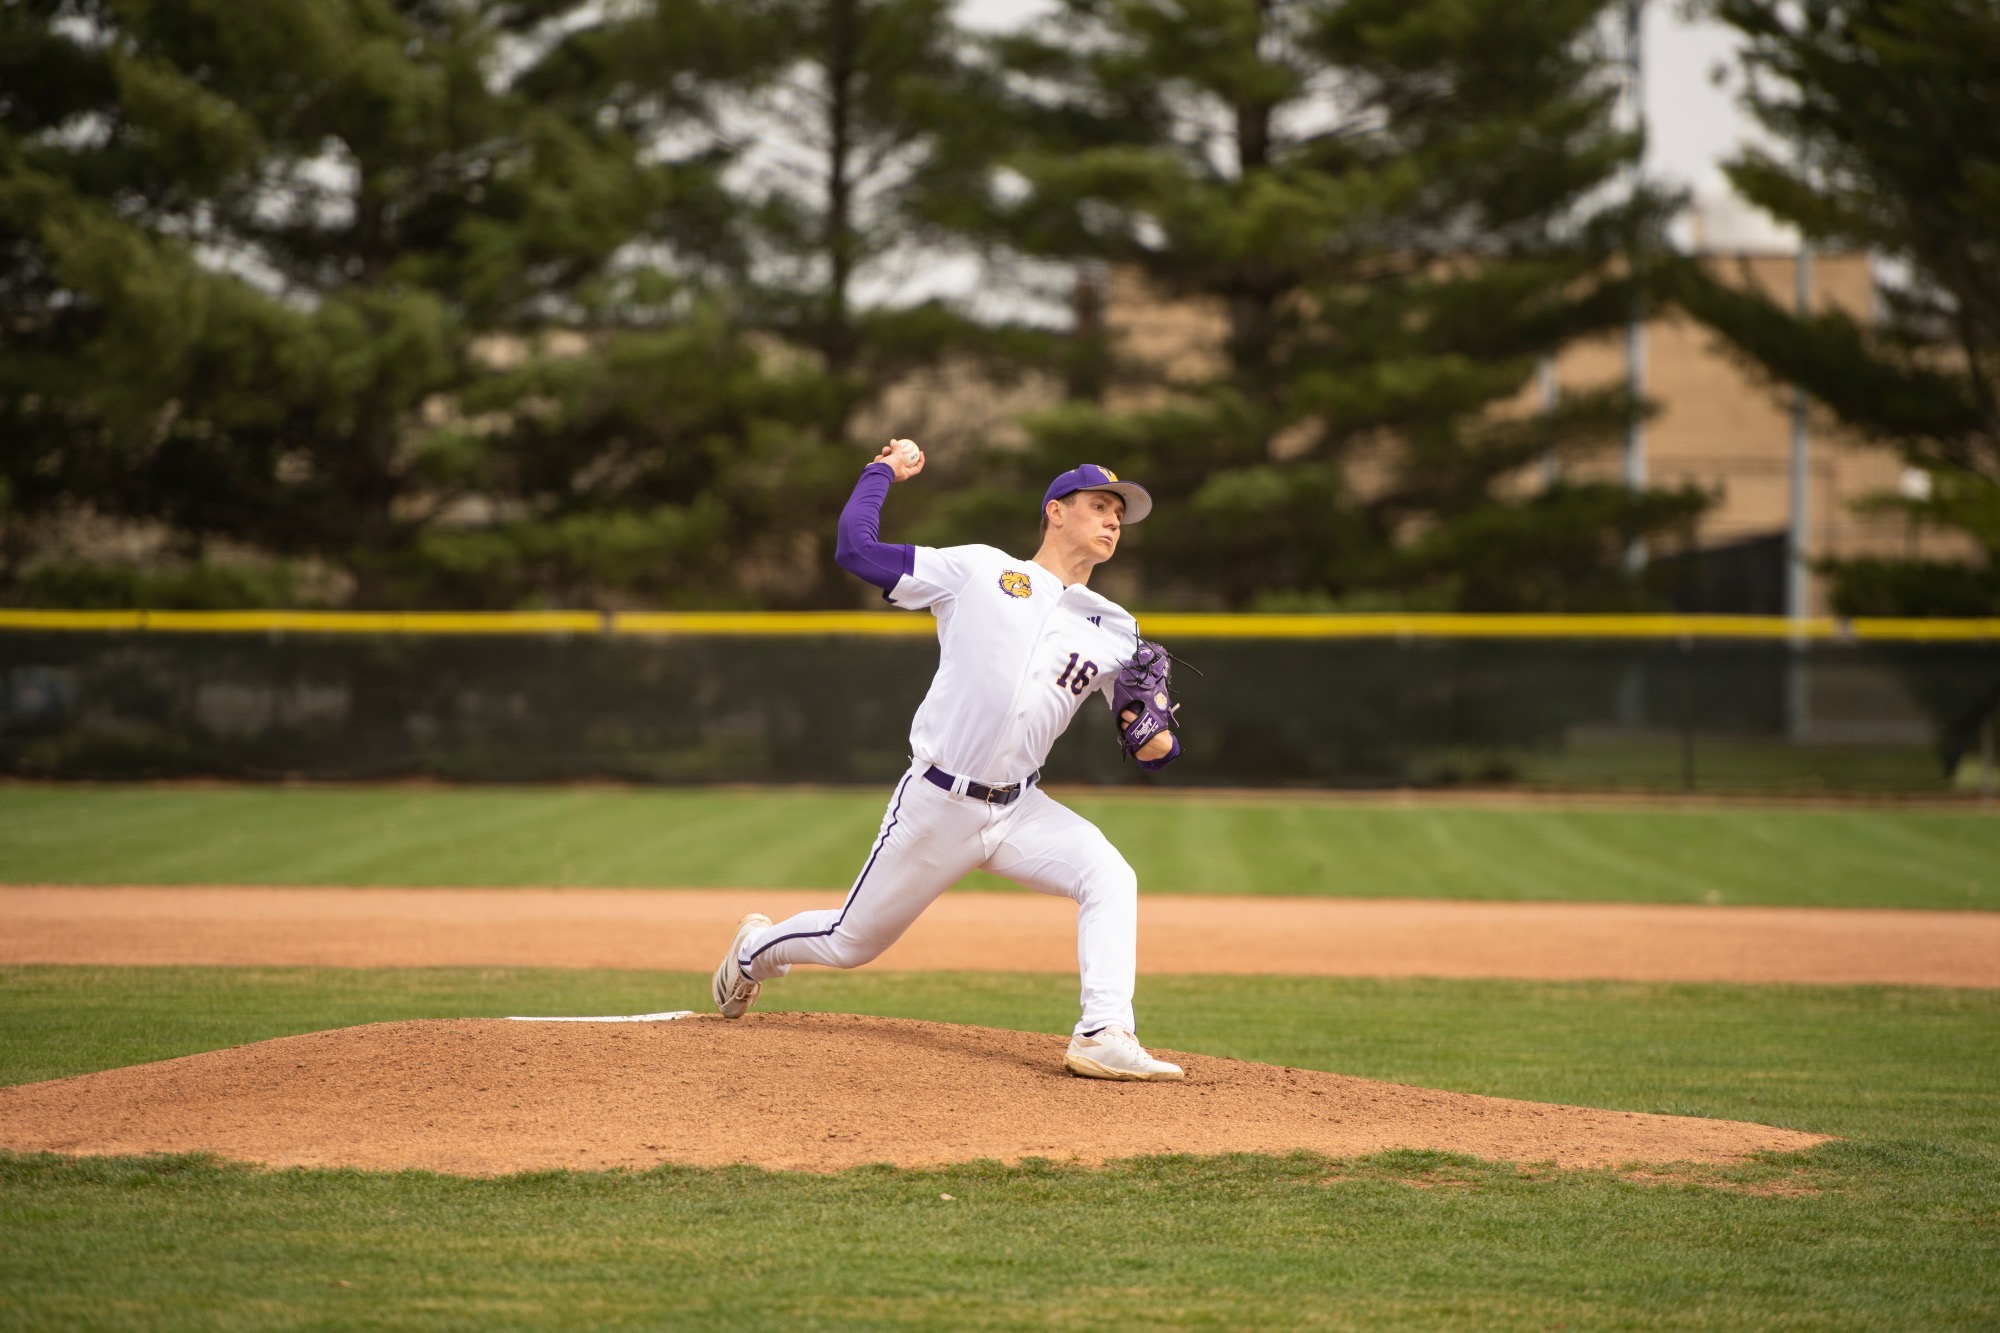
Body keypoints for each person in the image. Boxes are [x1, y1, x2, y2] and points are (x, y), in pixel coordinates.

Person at [710, 442, 1187, 1080]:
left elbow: (1155, 752)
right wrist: (880, 474)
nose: (1112, 522)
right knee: (851, 942)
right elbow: (856, 550)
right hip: (938, 803)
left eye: (1119, 516)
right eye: (1099, 506)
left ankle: (1103, 1032)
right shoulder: (979, 572)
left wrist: (1150, 725)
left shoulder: (1115, 628)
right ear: (1055, 512)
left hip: (1020, 809)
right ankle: (751, 952)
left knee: (1110, 876)